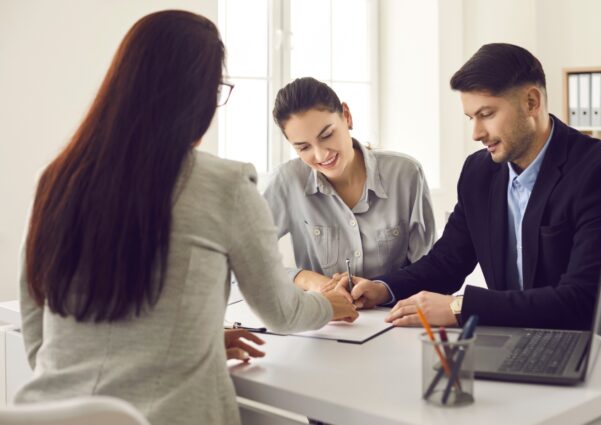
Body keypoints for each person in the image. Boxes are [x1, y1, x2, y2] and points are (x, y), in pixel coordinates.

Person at [14, 10, 357, 425]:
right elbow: (281, 313)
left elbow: (37, 336)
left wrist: (199, 343)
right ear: (198, 95)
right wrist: (329, 304)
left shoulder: (55, 180)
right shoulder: (224, 184)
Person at [340, 43, 601, 341]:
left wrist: (460, 307)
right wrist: (383, 288)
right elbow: (447, 262)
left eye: (487, 114)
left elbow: (584, 302)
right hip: (514, 341)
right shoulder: (478, 172)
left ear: (531, 102)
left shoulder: (600, 175)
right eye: (471, 118)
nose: (476, 133)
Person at [264, 77, 436, 293]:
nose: (321, 154)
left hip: (396, 318)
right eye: (303, 147)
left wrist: (383, 290)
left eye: (327, 135)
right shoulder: (286, 181)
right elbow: (245, 259)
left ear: (346, 116)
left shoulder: (406, 174)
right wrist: (307, 280)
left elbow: (430, 268)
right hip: (324, 320)